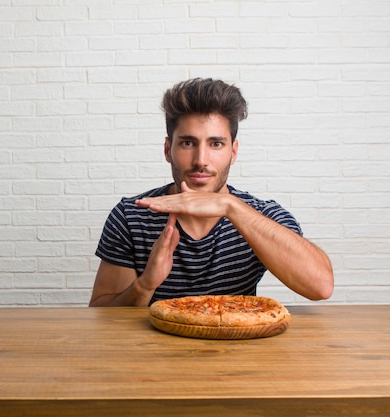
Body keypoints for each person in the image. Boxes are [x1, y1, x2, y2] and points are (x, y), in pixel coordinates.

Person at [89, 78, 334, 307]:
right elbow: (101, 316)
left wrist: (230, 206)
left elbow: (321, 287)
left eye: (216, 144)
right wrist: (145, 286)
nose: (201, 160)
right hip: (154, 352)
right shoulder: (131, 216)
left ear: (233, 151)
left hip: (237, 348)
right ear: (167, 149)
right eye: (188, 143)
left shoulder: (261, 215)